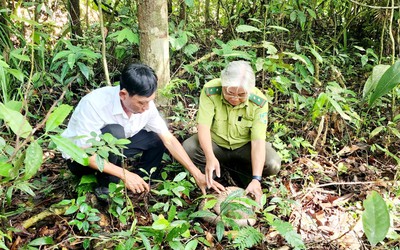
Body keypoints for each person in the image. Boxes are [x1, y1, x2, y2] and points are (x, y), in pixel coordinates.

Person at [62, 63, 225, 197]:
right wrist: (125, 174)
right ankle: (106, 188)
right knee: (114, 132)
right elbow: (83, 154)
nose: (146, 108)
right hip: (81, 159)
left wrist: (197, 174)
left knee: (157, 137)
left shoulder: (147, 106)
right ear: (123, 94)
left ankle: (143, 181)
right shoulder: (93, 104)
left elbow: (168, 139)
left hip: (116, 149)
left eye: (150, 101)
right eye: (141, 103)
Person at [182, 60, 281, 203]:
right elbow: (203, 127)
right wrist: (209, 157)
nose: (235, 98)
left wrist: (256, 179)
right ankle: (212, 180)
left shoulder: (259, 102)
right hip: (216, 143)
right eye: (230, 92)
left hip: (243, 146)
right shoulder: (210, 91)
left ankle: (244, 175)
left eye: (242, 95)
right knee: (188, 148)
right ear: (223, 84)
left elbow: (258, 142)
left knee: (272, 163)